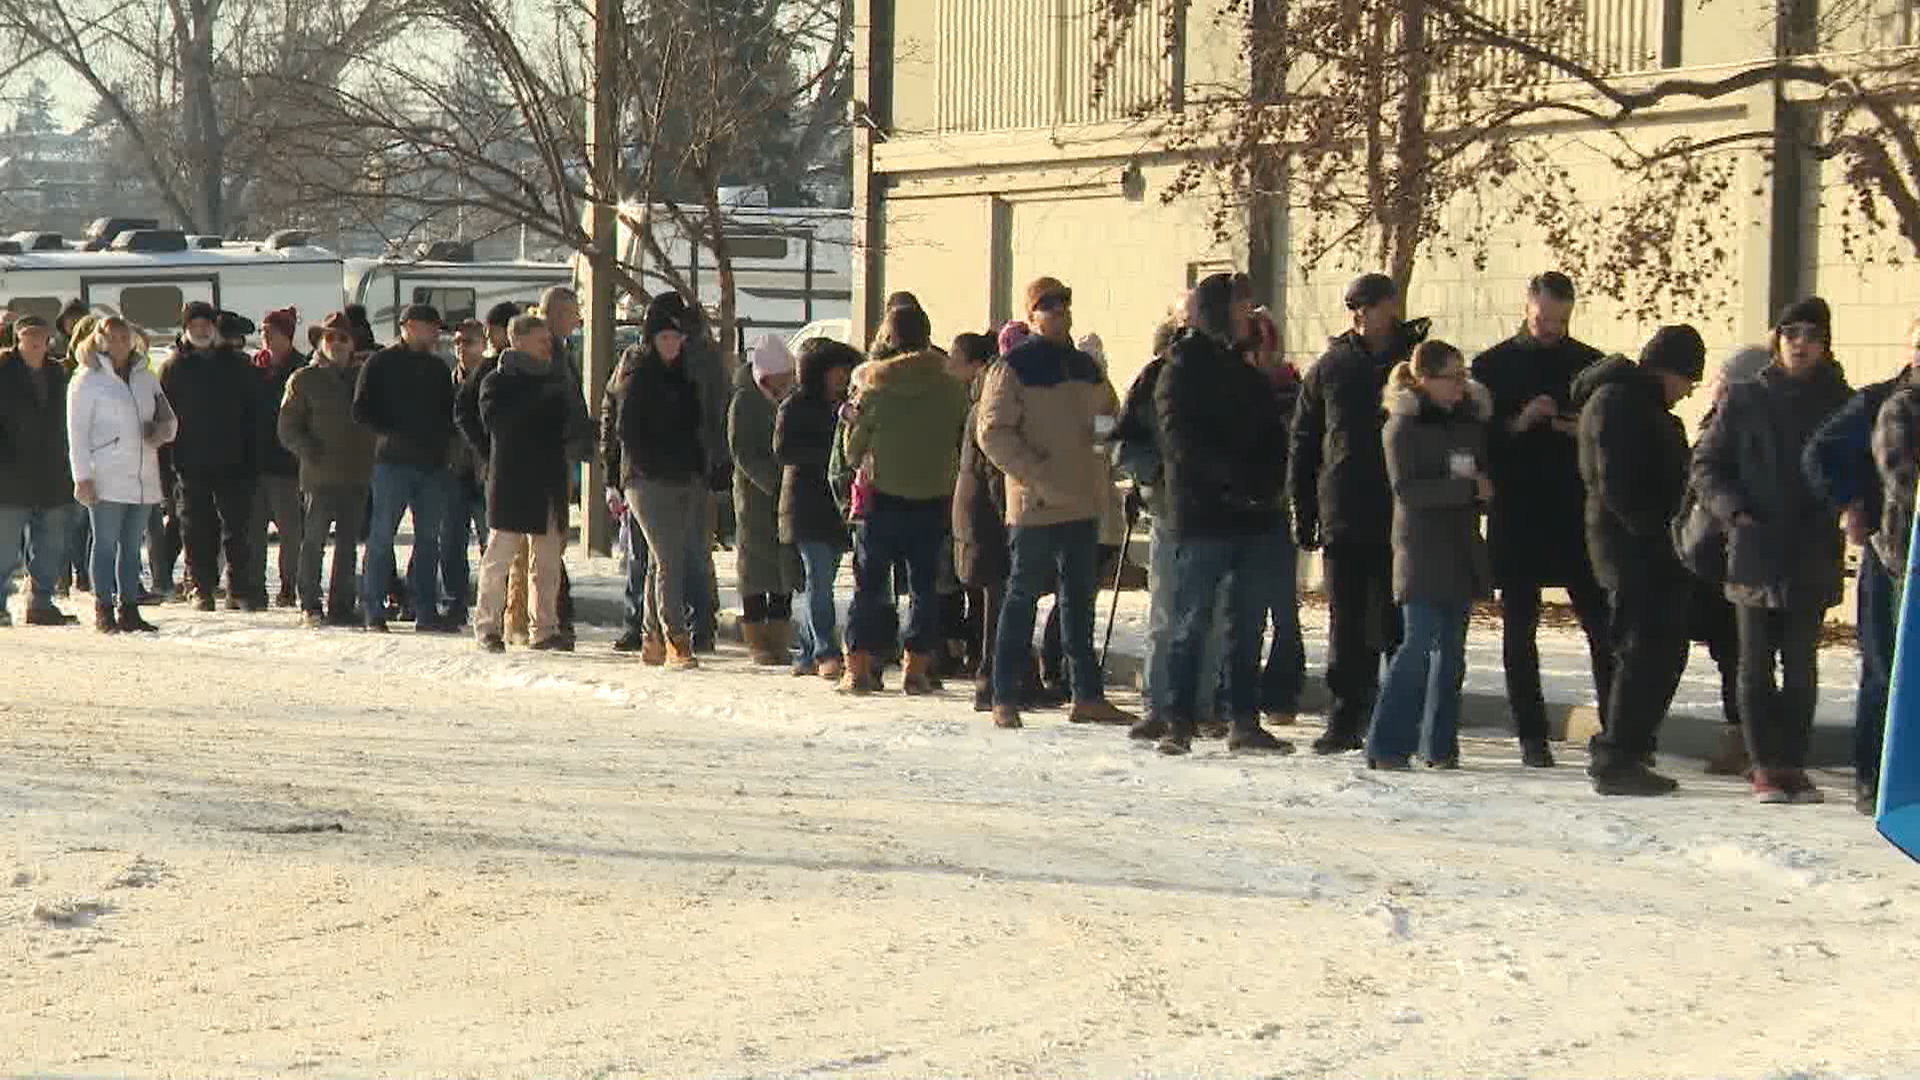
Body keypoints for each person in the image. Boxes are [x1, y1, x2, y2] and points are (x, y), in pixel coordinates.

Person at [1693, 299, 1852, 804]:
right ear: (1776, 340)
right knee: (1755, 663)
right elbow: (1707, 464)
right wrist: (1733, 511)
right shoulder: (1746, 398)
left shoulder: (1841, 402)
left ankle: (1794, 765)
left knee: (1801, 664)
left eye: (1812, 335)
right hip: (1754, 547)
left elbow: (1858, 467)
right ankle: (1763, 765)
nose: (1801, 344)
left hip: (1811, 548)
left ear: (1825, 345)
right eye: (1792, 333)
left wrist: (1847, 506)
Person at [978, 277, 1137, 728]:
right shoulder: (1013, 367)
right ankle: (1004, 694)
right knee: (1022, 599)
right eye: (1048, 306)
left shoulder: (1085, 367)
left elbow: (1109, 416)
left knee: (1079, 603)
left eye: (1064, 304)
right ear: (1031, 315)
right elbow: (993, 433)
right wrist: (1035, 472)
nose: (1059, 312)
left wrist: (1104, 450)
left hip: (1084, 501)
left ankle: (1086, 694)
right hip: (1036, 504)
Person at [1470, 272, 1610, 768]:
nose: (1551, 328)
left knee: (1600, 623)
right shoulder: (1492, 366)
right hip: (1517, 509)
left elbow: (1604, 437)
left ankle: (1616, 729)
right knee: (1519, 626)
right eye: (1543, 318)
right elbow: (1479, 442)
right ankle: (1531, 732)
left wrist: (1577, 430)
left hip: (1573, 509)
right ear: (1527, 308)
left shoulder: (1589, 365)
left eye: (1560, 321)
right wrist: (1520, 421)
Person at [1148, 274, 1292, 755]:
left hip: (1251, 518)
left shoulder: (1249, 376)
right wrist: (1233, 480)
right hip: (1202, 516)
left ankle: (1243, 719)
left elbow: (1272, 439)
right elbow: (1180, 443)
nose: (1249, 316)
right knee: (1191, 620)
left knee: (1246, 624)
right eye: (1240, 308)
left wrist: (1267, 485)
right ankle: (1178, 719)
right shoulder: (1180, 371)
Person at [1573, 326, 1706, 796]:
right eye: (1687, 380)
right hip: (1636, 552)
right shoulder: (1619, 404)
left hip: (1645, 549)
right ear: (1667, 370)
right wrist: (1661, 533)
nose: (1687, 391)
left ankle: (1628, 747)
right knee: (1643, 652)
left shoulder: (1638, 406)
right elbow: (1619, 484)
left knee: (1656, 651)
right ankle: (1618, 753)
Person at [1291, 273, 1419, 754]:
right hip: (1344, 509)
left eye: (1372, 305)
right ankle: (1344, 717)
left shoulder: (1415, 361)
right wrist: (1304, 508)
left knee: (1398, 624)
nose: (1362, 315)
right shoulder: (1332, 366)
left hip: (1403, 514)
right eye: (1356, 307)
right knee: (1347, 624)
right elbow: (1304, 441)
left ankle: (1400, 719)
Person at [1365, 341, 1492, 770]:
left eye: (1463, 376)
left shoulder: (1468, 422)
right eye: (1451, 377)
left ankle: (1439, 744)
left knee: (1452, 653)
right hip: (1420, 550)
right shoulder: (1401, 427)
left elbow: (1479, 472)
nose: (1461, 385)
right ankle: (1387, 744)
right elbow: (1408, 490)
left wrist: (1483, 491)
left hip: (1461, 547)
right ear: (1424, 379)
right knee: (1417, 645)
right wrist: (1467, 490)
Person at [838, 304, 971, 696]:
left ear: (888, 339)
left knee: (870, 587)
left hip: (882, 500)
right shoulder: (951, 388)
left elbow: (853, 450)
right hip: (933, 498)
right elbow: (963, 437)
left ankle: (859, 668)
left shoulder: (874, 386)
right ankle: (916, 670)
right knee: (924, 589)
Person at [1835, 317, 1920, 814]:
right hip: (1899, 561)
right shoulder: (1900, 407)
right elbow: (1902, 479)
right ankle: (1873, 776)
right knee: (1887, 673)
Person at [473, 314, 593, 652]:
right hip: (512, 481)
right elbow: (496, 422)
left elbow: (572, 423)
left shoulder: (558, 380)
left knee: (548, 562)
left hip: (549, 481)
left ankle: (545, 628)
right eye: (541, 341)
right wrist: (538, 398)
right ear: (519, 341)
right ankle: (487, 627)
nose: (547, 347)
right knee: (499, 558)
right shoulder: (496, 381)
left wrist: (585, 435)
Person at [612, 298, 709, 669]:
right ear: (652, 340)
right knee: (669, 558)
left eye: (676, 337)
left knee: (661, 560)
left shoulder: (685, 377)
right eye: (664, 337)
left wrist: (699, 467)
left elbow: (695, 427)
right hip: (646, 478)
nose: (671, 344)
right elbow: (625, 428)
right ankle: (676, 637)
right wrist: (638, 468)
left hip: (682, 476)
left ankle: (651, 637)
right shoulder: (638, 374)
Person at [352, 303, 459, 634]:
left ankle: (424, 609)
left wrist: (444, 446)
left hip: (432, 465)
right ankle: (373, 609)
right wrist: (391, 430)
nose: (435, 334)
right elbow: (361, 409)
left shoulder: (438, 369)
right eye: (430, 328)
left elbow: (449, 414)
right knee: (382, 536)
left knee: (428, 540)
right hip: (392, 462)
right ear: (408, 326)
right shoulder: (380, 363)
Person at [66, 315, 176, 632]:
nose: (119, 343)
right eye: (112, 337)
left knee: (131, 547)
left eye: (124, 337)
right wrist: (82, 476)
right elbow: (77, 433)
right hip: (106, 475)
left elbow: (169, 418)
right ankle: (103, 606)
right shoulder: (87, 380)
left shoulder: (145, 377)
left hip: (142, 474)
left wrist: (162, 431)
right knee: (105, 543)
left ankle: (129, 607)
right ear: (99, 340)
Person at [279, 313, 379, 627]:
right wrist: (308, 450)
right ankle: (309, 603)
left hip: (357, 474)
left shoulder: (364, 377)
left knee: (348, 545)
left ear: (352, 344)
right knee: (313, 542)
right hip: (318, 476)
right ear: (320, 342)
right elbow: (287, 427)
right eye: (329, 337)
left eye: (342, 338)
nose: (336, 343)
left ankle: (341, 605)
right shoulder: (303, 379)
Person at [160, 306, 261, 613]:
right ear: (186, 330)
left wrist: (251, 456)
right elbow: (163, 416)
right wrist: (166, 466)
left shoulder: (237, 365)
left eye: (206, 325)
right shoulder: (174, 368)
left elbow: (253, 414)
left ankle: (238, 588)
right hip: (190, 462)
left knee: (237, 529)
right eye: (195, 325)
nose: (201, 330)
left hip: (234, 460)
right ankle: (200, 587)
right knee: (195, 529)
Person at [777, 338, 860, 678]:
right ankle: (826, 650)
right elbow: (783, 450)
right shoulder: (796, 405)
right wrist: (829, 453)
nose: (841, 378)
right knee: (819, 577)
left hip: (837, 505)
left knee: (825, 578)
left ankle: (808, 652)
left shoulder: (850, 406)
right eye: (835, 371)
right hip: (805, 502)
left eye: (845, 371)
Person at [0, 314, 82, 627]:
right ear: (17, 339)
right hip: (9, 474)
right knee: (5, 548)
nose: (36, 341)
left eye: (40, 336)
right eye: (29, 336)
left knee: (53, 544)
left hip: (53, 473)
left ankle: (41, 603)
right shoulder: (4, 371)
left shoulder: (59, 373)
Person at [732, 335, 798, 665]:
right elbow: (742, 451)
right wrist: (773, 482)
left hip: (786, 497)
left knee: (783, 570)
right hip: (756, 498)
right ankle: (758, 640)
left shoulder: (791, 400)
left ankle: (779, 638)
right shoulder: (744, 401)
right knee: (755, 572)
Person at [247, 306, 308, 608]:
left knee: (290, 533)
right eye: (262, 331)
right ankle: (254, 587)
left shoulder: (301, 369)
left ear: (287, 335)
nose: (265, 337)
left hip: (287, 465)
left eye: (271, 332)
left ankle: (289, 586)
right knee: (253, 532)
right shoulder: (253, 368)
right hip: (255, 463)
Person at [440, 319, 491, 628]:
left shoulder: (491, 378)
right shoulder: (447, 383)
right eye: (457, 342)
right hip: (454, 471)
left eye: (468, 341)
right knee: (451, 542)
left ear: (483, 344)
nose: (461, 348)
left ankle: (491, 606)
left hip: (485, 471)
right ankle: (454, 603)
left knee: (491, 544)